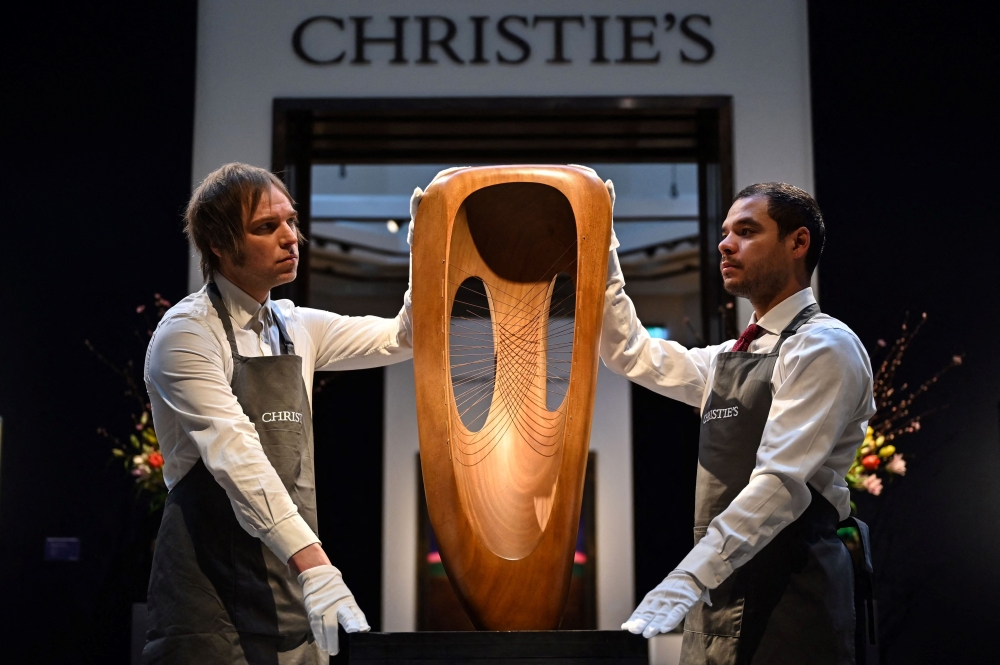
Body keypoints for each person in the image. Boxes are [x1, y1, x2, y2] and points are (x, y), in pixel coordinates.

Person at [142, 163, 424, 664]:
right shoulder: (186, 335)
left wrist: (430, 256)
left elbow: (403, 337)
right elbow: (237, 457)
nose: (291, 238)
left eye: (291, 222)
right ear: (220, 246)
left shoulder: (297, 326)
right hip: (209, 600)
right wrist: (316, 566)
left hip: (285, 589)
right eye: (267, 227)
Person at [604, 182, 876, 664]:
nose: (725, 244)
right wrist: (601, 251)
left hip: (789, 593)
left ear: (798, 243)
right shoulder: (734, 354)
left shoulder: (824, 347)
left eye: (746, 231)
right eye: (725, 232)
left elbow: (780, 483)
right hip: (720, 589)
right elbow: (632, 355)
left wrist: (689, 576)